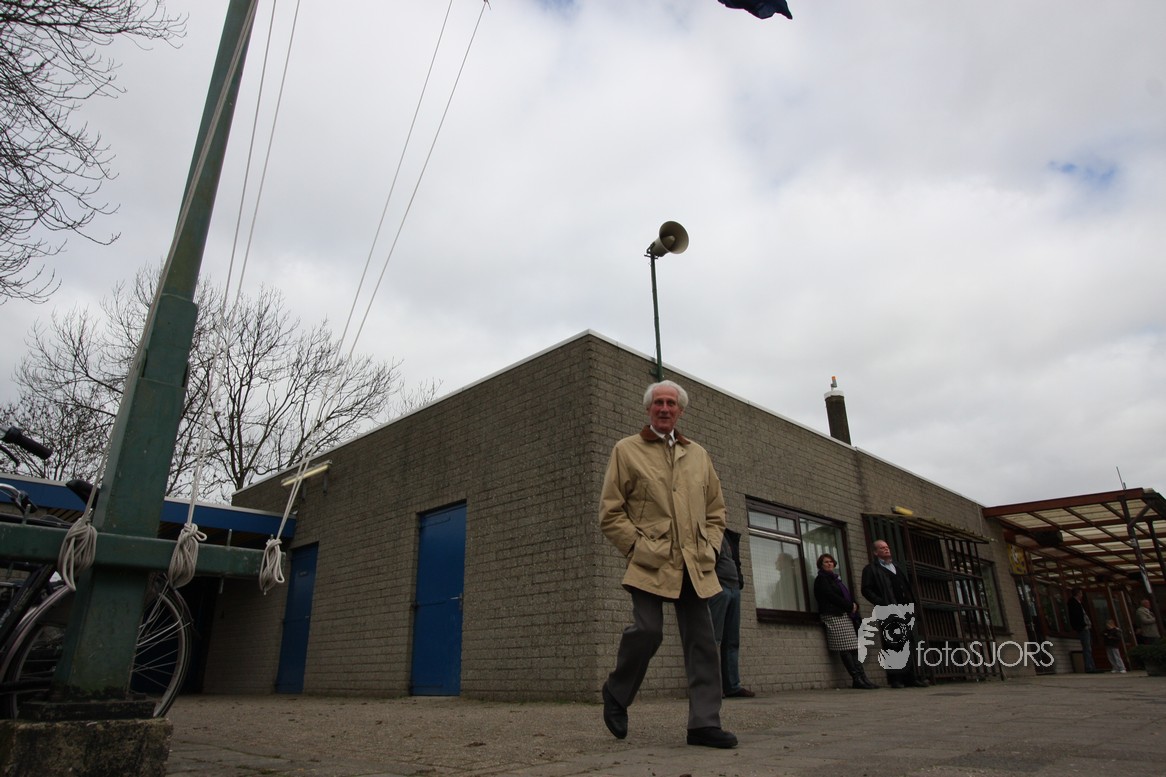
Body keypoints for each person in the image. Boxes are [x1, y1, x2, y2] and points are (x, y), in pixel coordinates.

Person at [599, 380, 738, 749]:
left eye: (671, 403)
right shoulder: (626, 450)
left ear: (680, 411)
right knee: (648, 630)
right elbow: (610, 512)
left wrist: (711, 548)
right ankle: (616, 691)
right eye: (658, 402)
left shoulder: (699, 455)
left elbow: (716, 511)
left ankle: (704, 724)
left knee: (703, 642)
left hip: (694, 561)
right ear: (648, 409)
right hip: (651, 559)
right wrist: (636, 546)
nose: (664, 408)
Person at [860, 539, 928, 689]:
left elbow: (905, 587)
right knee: (892, 643)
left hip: (905, 610)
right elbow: (866, 590)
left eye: (887, 547)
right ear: (875, 552)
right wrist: (881, 602)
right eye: (882, 548)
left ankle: (911, 677)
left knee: (907, 642)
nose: (886, 549)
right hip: (888, 610)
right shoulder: (871, 569)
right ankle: (896, 679)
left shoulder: (896, 567)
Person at [813, 552, 877, 689]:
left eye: (831, 561)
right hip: (833, 615)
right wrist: (849, 606)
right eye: (826, 562)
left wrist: (854, 605)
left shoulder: (836, 579)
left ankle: (863, 678)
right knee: (845, 648)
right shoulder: (821, 579)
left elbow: (845, 595)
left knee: (853, 648)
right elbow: (830, 596)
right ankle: (856, 678)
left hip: (844, 615)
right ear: (821, 565)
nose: (829, 564)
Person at [709, 528, 755, 698]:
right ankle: (712, 687)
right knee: (713, 639)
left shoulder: (729, 536)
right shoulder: (706, 530)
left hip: (734, 588)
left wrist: (739, 581)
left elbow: (736, 561)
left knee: (732, 640)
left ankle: (732, 686)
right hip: (718, 588)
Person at [1066, 588, 1098, 672]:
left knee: (1088, 647)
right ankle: (1089, 667)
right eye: (1081, 593)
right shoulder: (1073, 603)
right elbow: (1077, 616)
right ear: (1078, 594)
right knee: (1087, 647)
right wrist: (1083, 625)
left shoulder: (1077, 603)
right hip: (1083, 628)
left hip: (1084, 627)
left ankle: (1092, 666)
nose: (1082, 595)